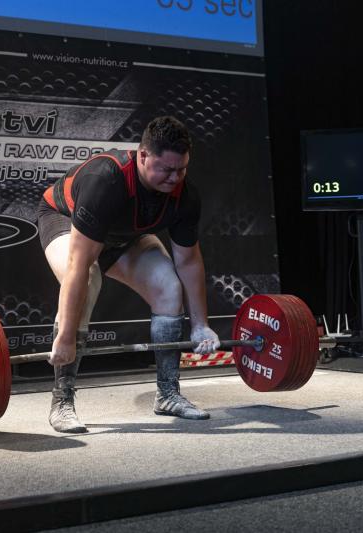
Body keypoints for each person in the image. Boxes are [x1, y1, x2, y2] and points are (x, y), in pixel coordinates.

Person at [36, 116, 220, 433]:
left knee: (169, 286)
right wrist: (65, 338)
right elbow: (79, 265)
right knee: (89, 279)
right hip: (63, 219)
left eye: (181, 169)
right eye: (167, 169)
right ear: (143, 155)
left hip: (121, 237)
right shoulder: (105, 180)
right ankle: (62, 400)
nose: (175, 177)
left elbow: (189, 262)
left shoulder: (185, 195)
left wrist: (200, 325)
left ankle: (168, 394)